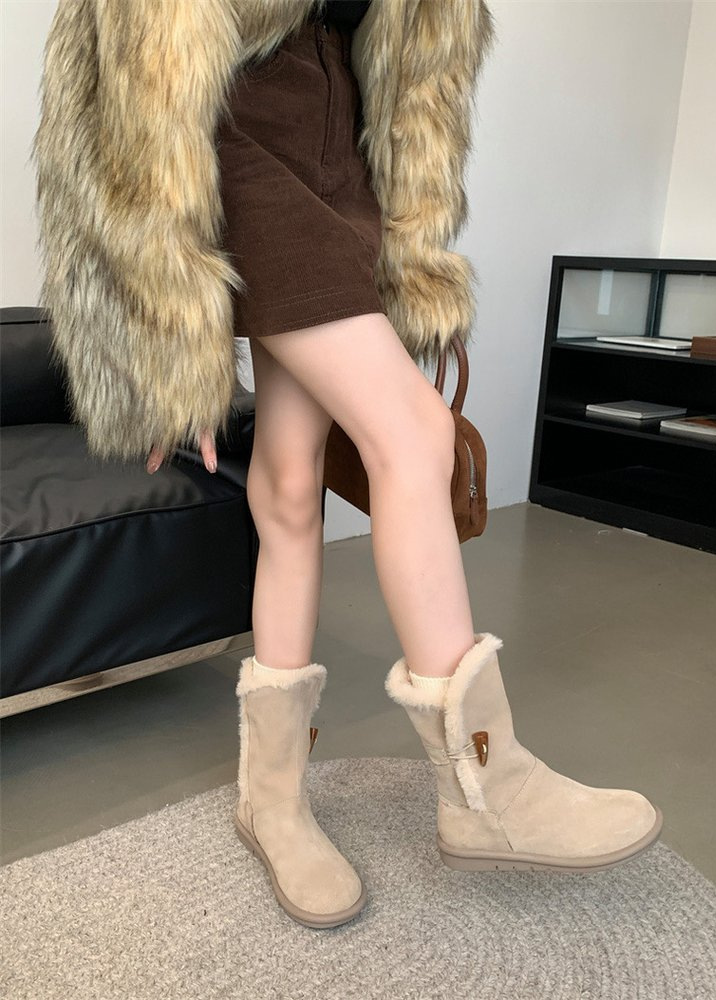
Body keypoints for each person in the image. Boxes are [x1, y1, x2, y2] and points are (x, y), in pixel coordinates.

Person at [32, 0, 662, 930]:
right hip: (228, 118)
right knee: (414, 434)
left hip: (346, 140)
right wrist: (155, 334)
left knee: (292, 483)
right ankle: (484, 785)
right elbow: (120, 58)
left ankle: (270, 798)